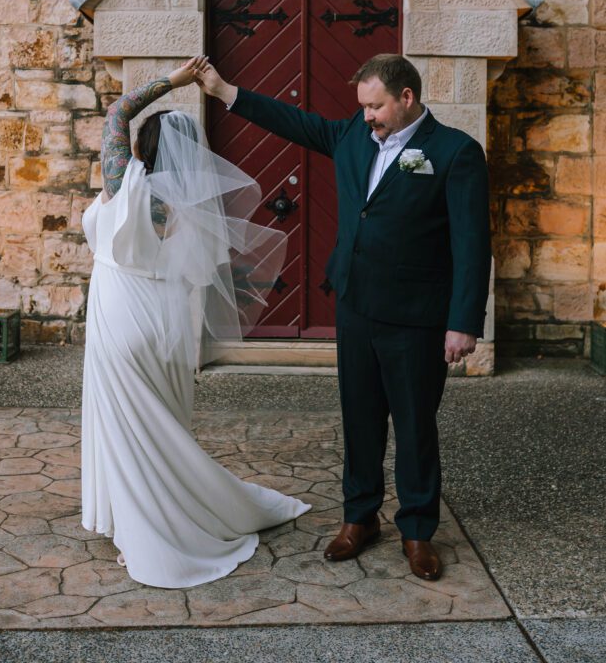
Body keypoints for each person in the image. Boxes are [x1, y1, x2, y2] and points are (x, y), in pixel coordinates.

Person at [195, 52, 491, 581]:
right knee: (359, 420)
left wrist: (463, 321)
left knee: (416, 425)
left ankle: (418, 530)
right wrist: (224, 92)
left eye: (375, 106)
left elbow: (472, 242)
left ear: (407, 98)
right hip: (356, 306)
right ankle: (360, 519)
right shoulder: (355, 135)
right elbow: (298, 123)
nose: (368, 116)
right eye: (363, 107)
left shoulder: (455, 153)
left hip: (418, 317)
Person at [80, 56, 310, 589]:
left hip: (120, 318)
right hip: (164, 325)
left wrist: (171, 82)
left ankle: (147, 530)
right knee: (161, 428)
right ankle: (163, 512)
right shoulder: (188, 207)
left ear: (142, 149)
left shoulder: (127, 183)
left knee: (130, 429)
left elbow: (117, 112)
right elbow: (193, 278)